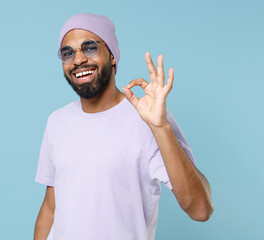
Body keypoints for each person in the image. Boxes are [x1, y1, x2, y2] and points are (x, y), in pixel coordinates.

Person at [34, 13, 214, 240]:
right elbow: (51, 207)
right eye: (68, 53)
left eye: (89, 48)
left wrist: (160, 127)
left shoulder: (148, 119)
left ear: (112, 56)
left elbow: (200, 209)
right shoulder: (57, 122)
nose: (78, 60)